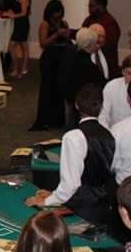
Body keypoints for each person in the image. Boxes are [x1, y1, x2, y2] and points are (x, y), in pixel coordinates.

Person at [26, 84, 116, 226]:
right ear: (101, 106)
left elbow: (71, 185)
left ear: (76, 105)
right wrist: (54, 194)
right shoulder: (110, 134)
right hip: (103, 205)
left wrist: (47, 201)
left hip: (80, 210)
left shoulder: (73, 136)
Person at [30, 0, 71, 131]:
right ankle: (44, 120)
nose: (58, 15)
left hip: (61, 58)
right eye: (56, 12)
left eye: (60, 12)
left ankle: (57, 120)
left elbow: (69, 39)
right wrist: (56, 34)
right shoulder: (45, 24)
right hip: (49, 59)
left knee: (59, 89)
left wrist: (66, 35)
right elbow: (43, 43)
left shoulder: (64, 23)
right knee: (47, 88)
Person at [60, 27, 107, 128]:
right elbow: (101, 84)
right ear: (90, 45)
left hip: (70, 97)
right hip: (83, 102)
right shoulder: (89, 66)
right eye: (95, 43)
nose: (97, 45)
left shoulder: (69, 54)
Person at [82, 0, 121, 77]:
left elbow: (110, 44)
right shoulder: (89, 20)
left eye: (91, 6)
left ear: (100, 6)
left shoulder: (110, 23)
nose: (89, 9)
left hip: (107, 67)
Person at [5, 0, 32, 79]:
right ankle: (22, 69)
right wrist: (11, 12)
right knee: (24, 46)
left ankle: (17, 69)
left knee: (12, 47)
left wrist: (13, 15)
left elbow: (24, 13)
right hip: (20, 23)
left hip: (22, 24)